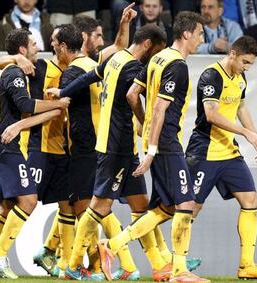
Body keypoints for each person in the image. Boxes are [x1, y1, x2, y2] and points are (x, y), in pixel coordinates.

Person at [47, 24, 175, 281]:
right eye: (157, 51)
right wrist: (145, 124)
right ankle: (72, 265)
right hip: (114, 147)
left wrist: (63, 91)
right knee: (98, 207)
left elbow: (89, 77)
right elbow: (132, 96)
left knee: (141, 205)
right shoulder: (133, 68)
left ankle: (157, 265)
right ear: (148, 44)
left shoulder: (115, 59)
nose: (156, 57)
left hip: (124, 147)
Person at [97, 11, 210, 283]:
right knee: (186, 203)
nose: (201, 39)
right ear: (187, 34)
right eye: (199, 34)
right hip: (166, 144)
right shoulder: (178, 65)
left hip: (157, 140)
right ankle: (180, 272)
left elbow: (131, 94)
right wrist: (153, 149)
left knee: (164, 209)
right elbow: (159, 107)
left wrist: (144, 127)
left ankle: (110, 246)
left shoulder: (155, 60)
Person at [0, 28, 70, 279]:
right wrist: (58, 105)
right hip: (9, 145)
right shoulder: (15, 73)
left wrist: (53, 113)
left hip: (10, 145)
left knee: (8, 205)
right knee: (28, 200)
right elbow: (26, 106)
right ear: (21, 49)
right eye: (32, 44)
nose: (38, 46)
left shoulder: (23, 68)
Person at [184, 35, 257, 280]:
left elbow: (241, 106)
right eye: (245, 62)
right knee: (189, 209)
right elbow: (211, 115)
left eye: (250, 65)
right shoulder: (211, 76)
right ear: (233, 53)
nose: (247, 68)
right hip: (204, 151)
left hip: (228, 151)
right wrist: (245, 132)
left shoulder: (239, 76)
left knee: (251, 199)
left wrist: (254, 134)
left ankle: (247, 266)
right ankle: (176, 264)